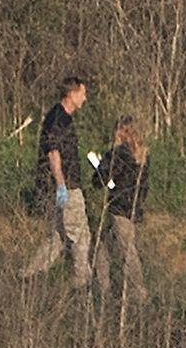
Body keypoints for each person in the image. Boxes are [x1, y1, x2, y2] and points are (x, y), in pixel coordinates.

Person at [21, 77, 92, 290]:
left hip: (62, 185)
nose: (85, 98)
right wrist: (61, 185)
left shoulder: (63, 118)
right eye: (83, 93)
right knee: (80, 234)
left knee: (59, 235)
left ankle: (29, 275)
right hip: (66, 186)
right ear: (72, 94)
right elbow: (53, 153)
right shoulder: (57, 119)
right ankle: (83, 282)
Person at [93, 116, 151, 304]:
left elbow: (101, 179)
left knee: (127, 251)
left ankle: (138, 292)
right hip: (134, 208)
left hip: (119, 207)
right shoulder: (142, 154)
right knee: (103, 246)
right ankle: (104, 287)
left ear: (120, 132)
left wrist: (99, 165)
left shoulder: (119, 153)